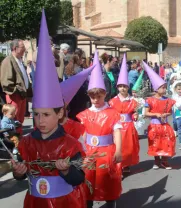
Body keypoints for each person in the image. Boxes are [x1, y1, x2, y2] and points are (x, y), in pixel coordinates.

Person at [11, 11, 86, 207]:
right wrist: (18, 172)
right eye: (36, 115)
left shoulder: (71, 145)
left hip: (65, 202)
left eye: (46, 115)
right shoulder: (26, 143)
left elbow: (79, 178)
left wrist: (67, 171)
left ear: (60, 113)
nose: (40, 120)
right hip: (35, 202)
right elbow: (22, 172)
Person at [76, 51, 123, 208]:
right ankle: (88, 204)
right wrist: (82, 151)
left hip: (107, 152)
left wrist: (118, 150)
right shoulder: (85, 114)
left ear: (105, 94)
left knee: (108, 180)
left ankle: (110, 203)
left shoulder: (112, 113)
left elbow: (117, 131)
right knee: (88, 179)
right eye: (92, 97)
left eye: (99, 96)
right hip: (90, 153)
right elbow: (82, 133)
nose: (95, 100)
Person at [109, 55, 140, 173]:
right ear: (117, 87)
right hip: (117, 128)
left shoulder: (132, 101)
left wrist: (134, 116)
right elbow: (111, 115)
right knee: (117, 146)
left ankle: (126, 164)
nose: (122, 89)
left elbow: (133, 113)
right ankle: (119, 166)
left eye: (125, 86)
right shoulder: (112, 101)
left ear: (128, 88)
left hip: (128, 128)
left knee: (128, 147)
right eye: (120, 86)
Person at [143, 62, 176, 170]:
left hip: (164, 125)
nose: (165, 89)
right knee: (155, 143)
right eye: (162, 88)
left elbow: (170, 112)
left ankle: (165, 161)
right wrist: (155, 114)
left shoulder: (167, 100)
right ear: (156, 89)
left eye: (165, 87)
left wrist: (167, 114)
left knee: (166, 142)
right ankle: (157, 161)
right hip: (154, 125)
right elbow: (146, 113)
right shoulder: (150, 100)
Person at [0, 39, 32, 135]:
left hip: (21, 95)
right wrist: (16, 91)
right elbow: (6, 82)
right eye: (22, 47)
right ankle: (14, 142)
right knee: (13, 120)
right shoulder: (8, 61)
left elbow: (24, 78)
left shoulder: (19, 60)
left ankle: (19, 140)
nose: (25, 49)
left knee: (19, 120)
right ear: (15, 48)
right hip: (15, 96)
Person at [131, 71, 149, 136]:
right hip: (133, 116)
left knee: (139, 127)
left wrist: (143, 114)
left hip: (140, 116)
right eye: (133, 92)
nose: (134, 93)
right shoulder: (131, 99)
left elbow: (144, 107)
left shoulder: (141, 100)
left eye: (135, 92)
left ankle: (139, 134)